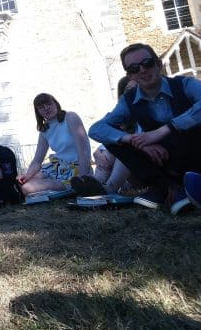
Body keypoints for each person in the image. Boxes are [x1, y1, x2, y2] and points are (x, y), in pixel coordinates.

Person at [89, 43, 201, 214]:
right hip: (164, 160)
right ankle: (165, 187)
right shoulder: (129, 100)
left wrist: (165, 129)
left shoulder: (184, 84)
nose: (142, 70)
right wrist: (135, 141)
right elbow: (96, 129)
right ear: (130, 75)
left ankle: (181, 188)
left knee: (188, 131)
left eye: (147, 63)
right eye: (134, 68)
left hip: (195, 152)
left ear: (158, 64)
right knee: (115, 141)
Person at [17, 93, 92, 195]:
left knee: (27, 188)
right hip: (57, 167)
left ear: (56, 104)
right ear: (38, 112)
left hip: (76, 169)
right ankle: (61, 189)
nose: (46, 108)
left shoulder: (70, 117)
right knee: (25, 183)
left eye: (49, 104)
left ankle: (72, 187)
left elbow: (84, 150)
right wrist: (27, 176)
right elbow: (37, 160)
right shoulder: (45, 129)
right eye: (41, 107)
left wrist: (84, 178)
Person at [73, 76, 137, 196]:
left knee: (123, 151)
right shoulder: (119, 114)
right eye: (128, 89)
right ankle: (95, 186)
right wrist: (102, 150)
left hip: (139, 165)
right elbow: (97, 130)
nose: (133, 92)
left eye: (137, 88)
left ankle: (107, 189)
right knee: (103, 154)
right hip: (119, 166)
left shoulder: (149, 110)